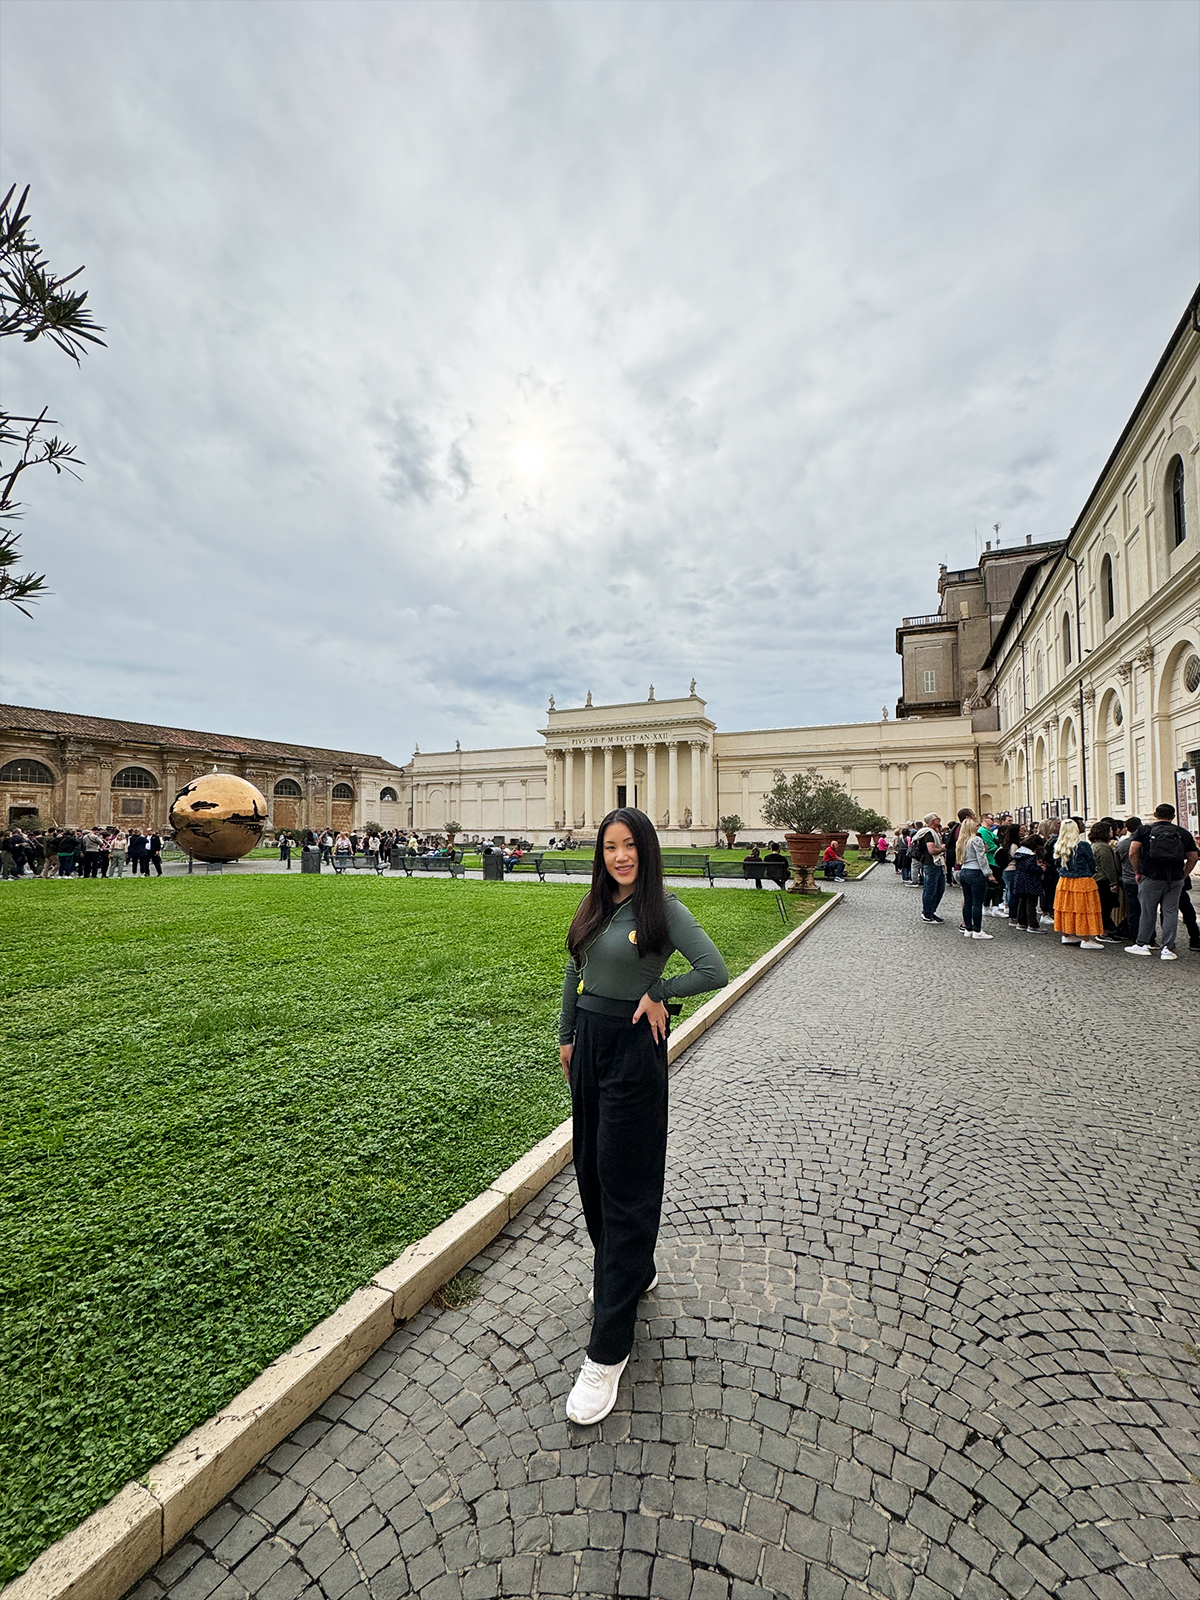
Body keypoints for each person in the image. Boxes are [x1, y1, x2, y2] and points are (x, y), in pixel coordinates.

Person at [559, 808, 728, 1425]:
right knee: (591, 1173)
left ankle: (609, 1349)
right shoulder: (594, 906)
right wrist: (566, 1034)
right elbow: (574, 969)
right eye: (610, 846)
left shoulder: (664, 910)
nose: (620, 856)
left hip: (633, 1051)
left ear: (646, 850)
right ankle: (628, 1270)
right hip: (590, 1049)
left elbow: (714, 969)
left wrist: (659, 992)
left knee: (624, 1178)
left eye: (630, 845)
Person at [1125, 803, 1199, 961]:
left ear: (1155, 814)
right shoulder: (1182, 833)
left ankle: (1142, 944)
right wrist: (1184, 874)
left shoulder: (1144, 830)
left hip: (1151, 876)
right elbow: (1193, 857)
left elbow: (1133, 851)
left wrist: (1138, 871)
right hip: (1175, 878)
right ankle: (1167, 948)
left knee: (1147, 911)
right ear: (1173, 816)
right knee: (1170, 912)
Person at [1053, 820, 1106, 950]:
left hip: (1064, 881)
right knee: (1085, 909)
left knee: (1067, 908)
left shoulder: (1059, 845)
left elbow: (1056, 864)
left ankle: (1066, 934)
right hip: (1082, 881)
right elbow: (1092, 864)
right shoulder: (1082, 845)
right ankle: (1086, 938)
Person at [956, 818, 996, 938]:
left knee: (968, 901)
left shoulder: (961, 841)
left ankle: (968, 928)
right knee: (977, 903)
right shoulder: (976, 840)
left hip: (964, 871)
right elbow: (982, 859)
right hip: (975, 872)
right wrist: (989, 873)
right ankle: (977, 930)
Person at [1088, 821, 1122, 939]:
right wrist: (1114, 882)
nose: (1112, 832)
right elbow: (1109, 867)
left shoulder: (1093, 846)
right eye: (1110, 830)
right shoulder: (1103, 848)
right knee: (1105, 906)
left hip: (1095, 879)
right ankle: (1103, 931)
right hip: (1103, 880)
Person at [911, 813, 946, 923]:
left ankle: (931, 911)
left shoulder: (935, 832)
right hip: (931, 863)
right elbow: (931, 850)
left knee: (940, 889)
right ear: (931, 821)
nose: (939, 819)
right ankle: (927, 913)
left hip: (938, 863)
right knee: (931, 889)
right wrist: (942, 848)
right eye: (937, 818)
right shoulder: (928, 834)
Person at [1011, 834, 1045, 931]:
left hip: (1020, 880)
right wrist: (1040, 869)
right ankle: (1032, 924)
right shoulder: (1030, 855)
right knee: (1031, 902)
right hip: (1030, 881)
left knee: (1022, 901)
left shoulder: (1020, 853)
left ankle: (1021, 922)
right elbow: (1030, 867)